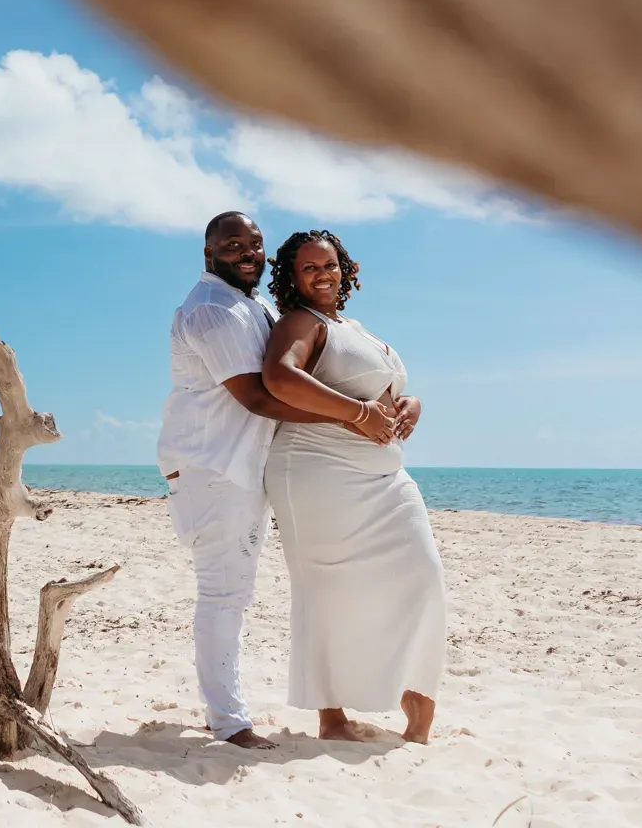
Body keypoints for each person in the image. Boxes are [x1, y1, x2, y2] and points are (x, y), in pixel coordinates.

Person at [157, 211, 358, 749]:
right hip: (211, 465)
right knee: (222, 594)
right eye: (232, 244)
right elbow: (259, 395)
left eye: (254, 244)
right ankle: (229, 723)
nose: (247, 252)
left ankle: (226, 713)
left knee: (234, 594)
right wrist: (353, 416)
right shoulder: (212, 312)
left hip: (238, 466)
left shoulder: (254, 306)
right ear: (209, 254)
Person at [261, 229, 446, 744]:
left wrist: (412, 404)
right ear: (293, 278)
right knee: (325, 590)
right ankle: (332, 718)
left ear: (345, 268)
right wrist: (357, 413)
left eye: (329, 264)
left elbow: (391, 389)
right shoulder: (301, 322)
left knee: (422, 574)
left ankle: (418, 710)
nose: (322, 274)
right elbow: (278, 376)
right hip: (316, 469)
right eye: (309, 268)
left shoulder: (358, 328)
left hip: (385, 474)